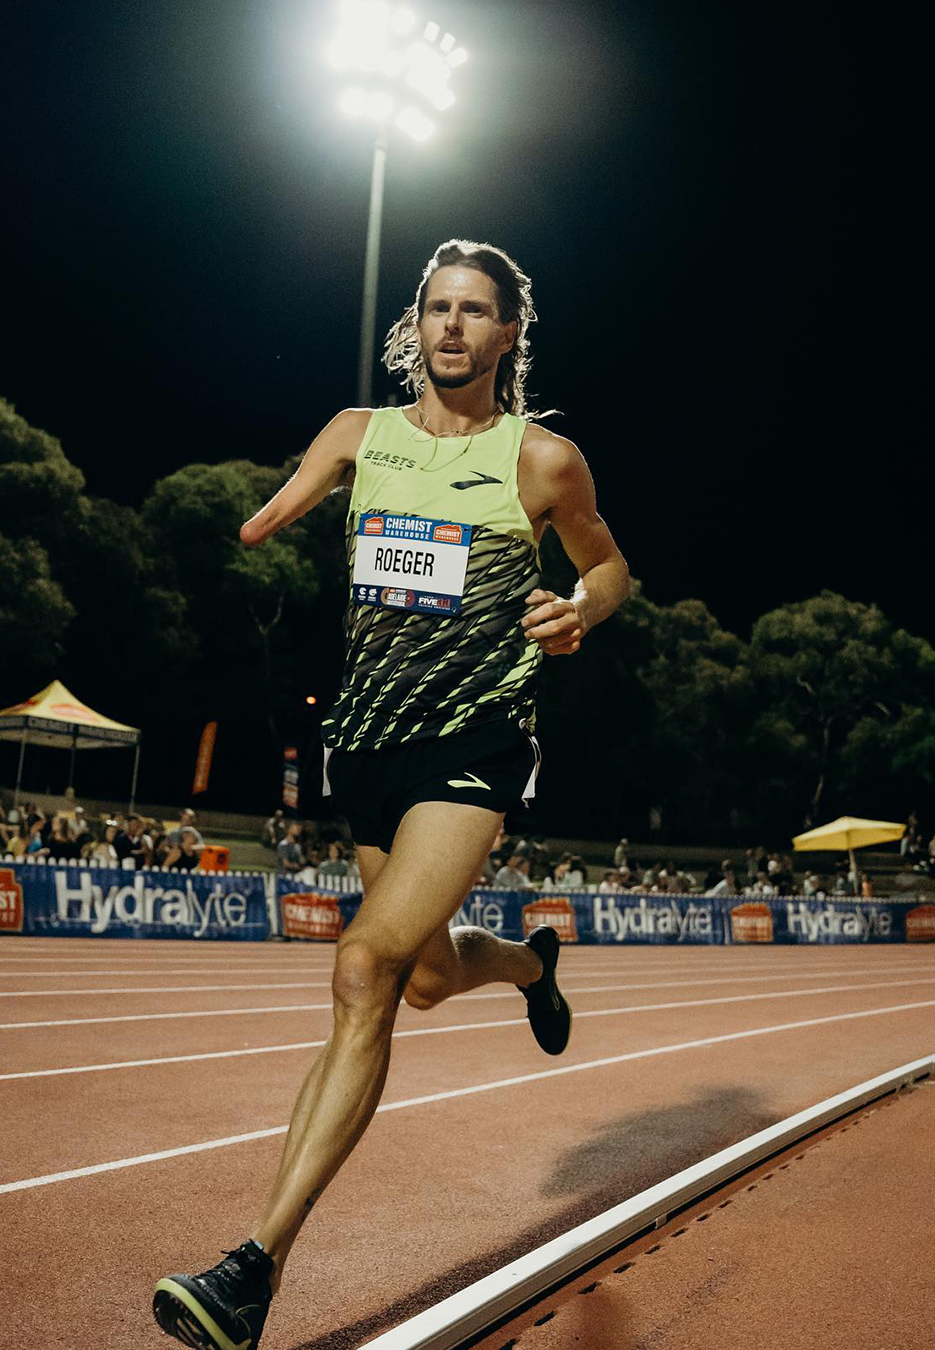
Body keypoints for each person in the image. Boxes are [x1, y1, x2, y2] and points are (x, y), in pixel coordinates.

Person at [152, 239, 631, 1349]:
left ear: (510, 333)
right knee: (422, 979)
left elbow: (607, 565)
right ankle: (527, 964)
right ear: (413, 325)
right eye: (436, 309)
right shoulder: (355, 436)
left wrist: (580, 611)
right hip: (366, 739)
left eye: (475, 311)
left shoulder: (541, 460)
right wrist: (268, 517)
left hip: (475, 740)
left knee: (363, 966)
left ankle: (252, 1267)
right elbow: (285, 502)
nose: (452, 326)